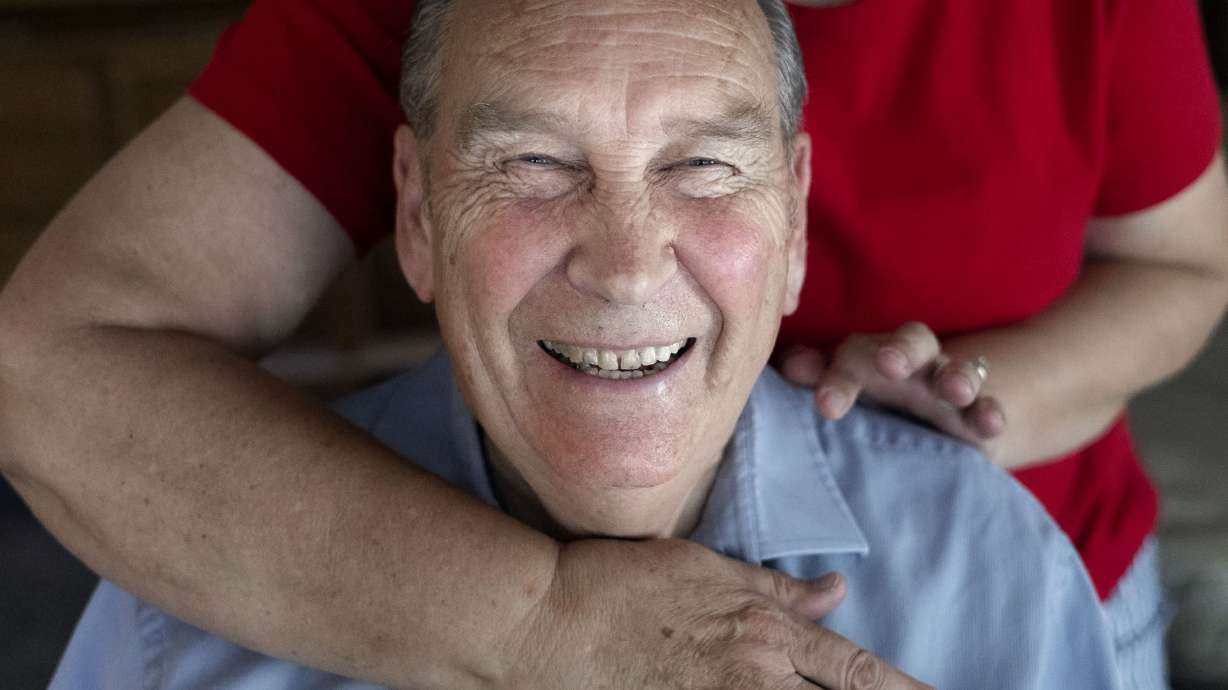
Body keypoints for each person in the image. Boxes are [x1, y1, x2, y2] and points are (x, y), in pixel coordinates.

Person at [0, 0, 1224, 688]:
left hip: (991, 557)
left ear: (791, 204)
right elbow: (53, 360)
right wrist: (540, 621)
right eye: (534, 162)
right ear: (417, 210)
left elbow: (1190, 263)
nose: (630, 260)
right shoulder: (177, 648)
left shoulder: (993, 569)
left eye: (706, 163)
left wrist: (969, 406)